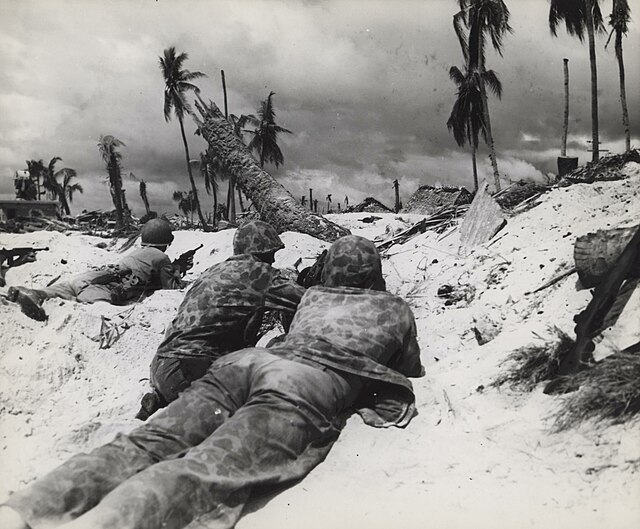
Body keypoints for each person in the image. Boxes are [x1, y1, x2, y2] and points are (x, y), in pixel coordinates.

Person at [0, 235, 424, 529]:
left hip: (244, 364)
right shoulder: (395, 308)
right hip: (302, 384)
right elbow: (408, 366)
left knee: (150, 441)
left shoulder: (312, 297)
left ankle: (25, 508)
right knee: (206, 468)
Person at [137, 219, 306, 419]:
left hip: (162, 366)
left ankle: (160, 398)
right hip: (192, 368)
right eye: (271, 254)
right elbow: (309, 299)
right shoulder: (260, 274)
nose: (273, 261)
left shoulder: (213, 270)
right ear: (263, 252)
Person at [7, 218, 187, 322]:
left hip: (91, 276)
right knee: (80, 302)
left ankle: (33, 293)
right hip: (104, 290)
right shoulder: (161, 258)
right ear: (165, 241)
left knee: (61, 290)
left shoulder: (137, 252)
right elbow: (171, 287)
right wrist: (178, 270)